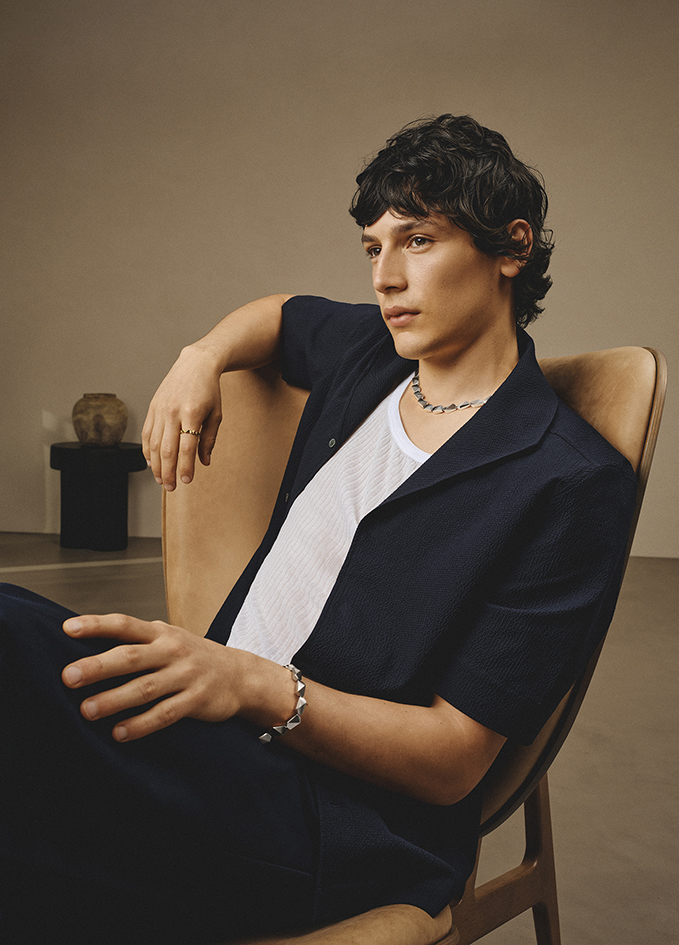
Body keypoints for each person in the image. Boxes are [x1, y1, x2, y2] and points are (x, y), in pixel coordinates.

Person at [0, 115, 637, 945]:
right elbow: (279, 315)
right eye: (373, 248)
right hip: (203, 742)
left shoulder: (567, 480)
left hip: (335, 824)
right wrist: (200, 356)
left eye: (417, 240)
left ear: (511, 247)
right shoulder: (371, 355)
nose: (385, 277)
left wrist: (252, 684)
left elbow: (453, 759)